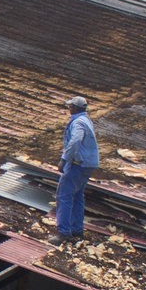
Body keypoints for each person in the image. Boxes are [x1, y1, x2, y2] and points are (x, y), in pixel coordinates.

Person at [55, 95, 100, 241]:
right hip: (88, 164)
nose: (69, 109)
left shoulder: (78, 123)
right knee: (77, 195)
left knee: (64, 195)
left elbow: (75, 141)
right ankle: (77, 230)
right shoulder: (86, 120)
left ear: (74, 108)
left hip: (77, 164)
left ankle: (63, 232)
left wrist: (64, 159)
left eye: (70, 106)